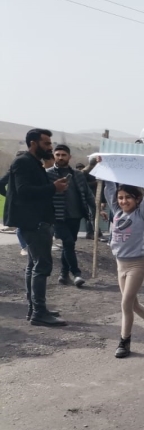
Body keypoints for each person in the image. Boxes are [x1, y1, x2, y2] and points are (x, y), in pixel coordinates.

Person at [100, 158, 144, 358]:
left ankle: (124, 342)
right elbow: (109, 188)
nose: (123, 201)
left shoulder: (140, 215)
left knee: (125, 304)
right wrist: (105, 165)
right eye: (121, 198)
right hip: (119, 265)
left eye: (128, 198)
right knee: (133, 304)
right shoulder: (116, 213)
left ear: (137, 200)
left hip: (136, 265)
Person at [3, 129, 69, 326]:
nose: (50, 147)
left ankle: (35, 308)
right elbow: (23, 191)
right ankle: (39, 312)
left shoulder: (33, 162)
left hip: (36, 221)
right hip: (34, 223)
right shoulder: (23, 162)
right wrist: (53, 188)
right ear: (33, 143)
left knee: (33, 266)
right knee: (41, 267)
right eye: (47, 144)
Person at [46, 145, 95, 288]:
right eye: (58, 154)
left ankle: (63, 273)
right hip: (57, 217)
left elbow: (87, 193)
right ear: (54, 156)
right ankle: (76, 274)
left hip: (75, 216)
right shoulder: (48, 174)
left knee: (69, 245)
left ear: (69, 157)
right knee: (67, 242)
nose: (61, 157)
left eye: (63, 155)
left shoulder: (77, 175)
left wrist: (97, 209)